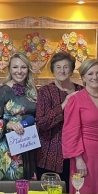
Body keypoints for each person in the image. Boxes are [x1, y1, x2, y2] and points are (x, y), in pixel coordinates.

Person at [62, 59, 98, 194]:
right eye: (90, 73)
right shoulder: (75, 99)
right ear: (83, 77)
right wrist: (78, 159)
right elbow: (71, 132)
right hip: (84, 154)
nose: (95, 77)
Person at [0, 53, 38, 180]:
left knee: (28, 188)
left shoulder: (32, 91)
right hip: (8, 149)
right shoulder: (1, 91)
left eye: (23, 67)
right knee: (9, 189)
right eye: (15, 67)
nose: (19, 71)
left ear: (28, 69)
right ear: (9, 69)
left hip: (28, 145)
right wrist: (8, 124)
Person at [35, 52, 83, 185]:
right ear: (53, 70)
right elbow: (42, 123)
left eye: (66, 67)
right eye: (58, 67)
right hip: (49, 155)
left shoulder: (81, 91)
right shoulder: (44, 91)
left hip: (76, 154)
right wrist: (64, 104)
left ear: (72, 70)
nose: (62, 70)